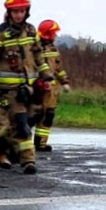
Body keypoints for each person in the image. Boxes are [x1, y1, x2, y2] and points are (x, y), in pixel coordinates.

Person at [0, 0, 52, 174]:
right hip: (6, 90)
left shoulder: (31, 31)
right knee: (8, 124)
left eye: (22, 11)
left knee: (23, 124)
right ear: (9, 12)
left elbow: (38, 53)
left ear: (27, 11)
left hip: (27, 90)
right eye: (15, 11)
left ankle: (23, 160)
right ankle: (13, 158)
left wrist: (45, 73)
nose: (19, 14)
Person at [33, 19, 71, 152]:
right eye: (54, 33)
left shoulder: (53, 49)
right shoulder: (35, 48)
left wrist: (65, 82)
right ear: (48, 34)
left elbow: (58, 69)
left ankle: (40, 143)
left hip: (51, 92)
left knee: (48, 115)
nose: (56, 36)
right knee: (33, 116)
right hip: (38, 89)